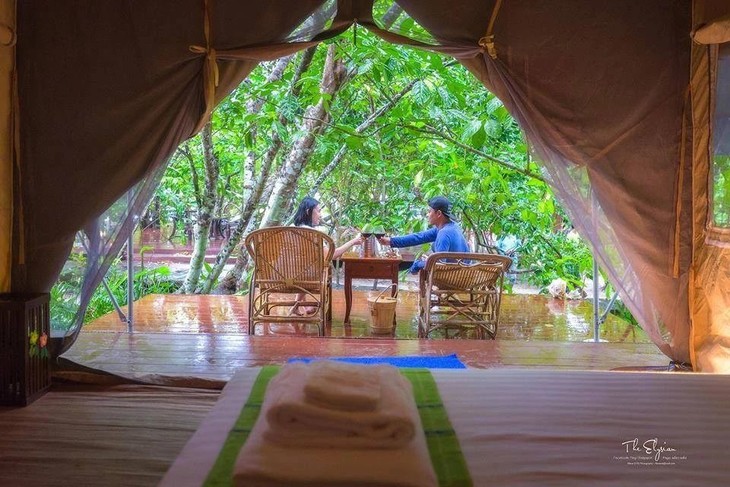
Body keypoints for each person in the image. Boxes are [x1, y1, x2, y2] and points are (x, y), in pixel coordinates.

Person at [291, 197, 362, 315]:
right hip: (303, 276)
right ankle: (296, 305)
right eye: (318, 211)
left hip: (283, 275)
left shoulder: (291, 229)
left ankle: (300, 305)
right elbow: (331, 255)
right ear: (308, 211)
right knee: (312, 270)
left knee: (304, 267)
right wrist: (353, 242)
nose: (321, 215)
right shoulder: (311, 233)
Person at [378, 196, 469, 274]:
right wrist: (391, 241)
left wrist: (419, 264)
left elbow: (439, 266)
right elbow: (420, 237)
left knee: (416, 264)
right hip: (465, 275)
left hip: (451, 278)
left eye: (429, 211)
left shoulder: (444, 233)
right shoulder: (453, 227)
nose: (427, 215)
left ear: (438, 213)